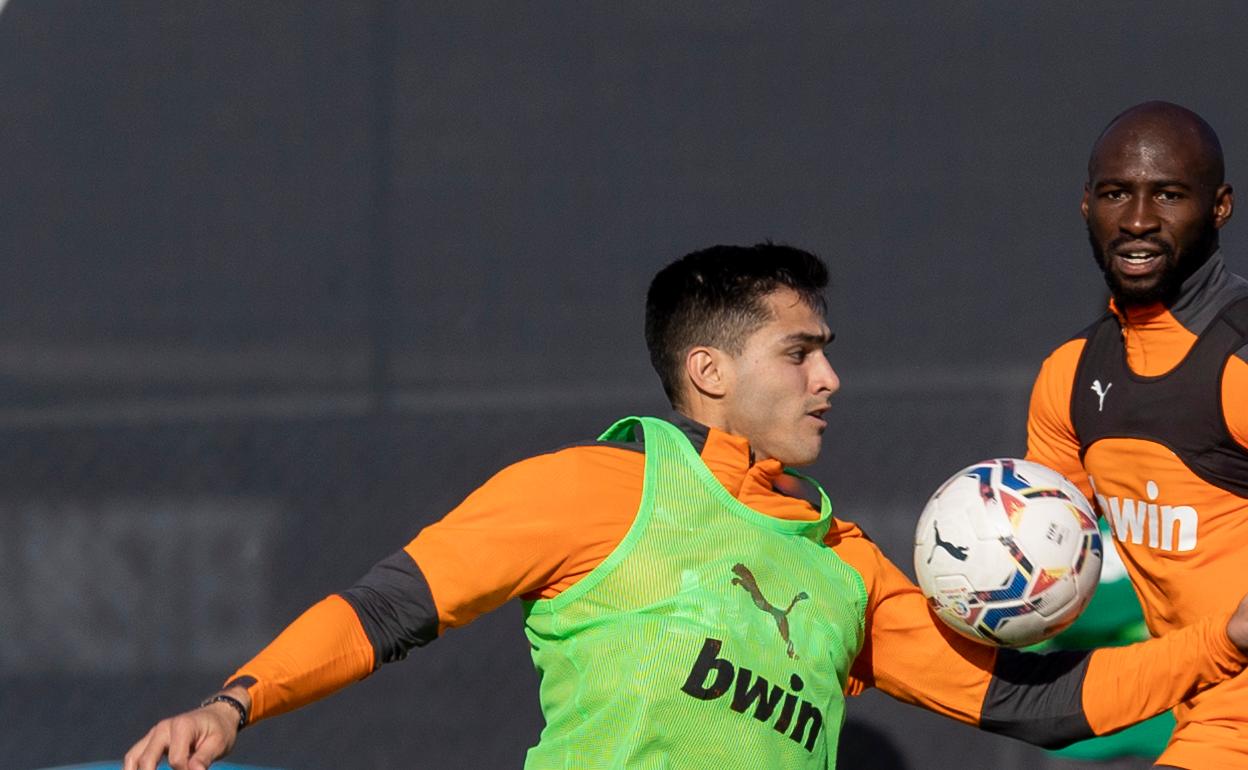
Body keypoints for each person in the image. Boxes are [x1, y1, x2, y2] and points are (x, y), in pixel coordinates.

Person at [128, 243, 1248, 770]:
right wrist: (236, 703)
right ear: (710, 371)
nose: (830, 380)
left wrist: (1218, 643)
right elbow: (390, 606)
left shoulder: (846, 562)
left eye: (829, 354)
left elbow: (1027, 701)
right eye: (800, 351)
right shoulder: (592, 488)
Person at [1026, 101, 1248, 769]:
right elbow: (1044, 568)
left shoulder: (1238, 359)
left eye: (1170, 195)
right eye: (1117, 193)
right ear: (1087, 206)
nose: (1139, 219)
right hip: (1197, 707)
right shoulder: (1068, 378)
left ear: (1220, 207)